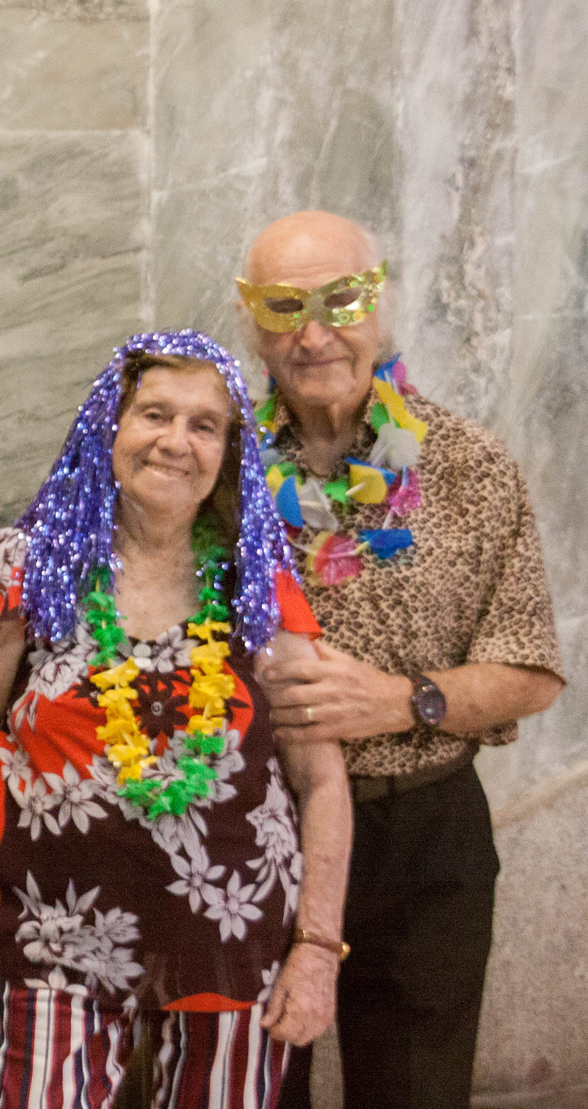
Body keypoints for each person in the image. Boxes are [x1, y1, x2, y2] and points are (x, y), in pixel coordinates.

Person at [0, 331, 352, 1109]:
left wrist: (318, 949)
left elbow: (321, 778)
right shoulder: (32, 564)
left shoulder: (258, 582)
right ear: (110, 428)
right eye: (154, 413)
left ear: (229, 452)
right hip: (51, 933)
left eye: (204, 425)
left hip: (234, 935)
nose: (176, 441)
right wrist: (11, 822)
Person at [236, 212, 563, 1109]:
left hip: (426, 836)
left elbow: (529, 666)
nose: (315, 331)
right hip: (248, 836)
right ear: (250, 319)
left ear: (378, 301)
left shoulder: (472, 466)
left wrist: (399, 699)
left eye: (342, 298)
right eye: (285, 304)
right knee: (251, 1088)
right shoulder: (206, 462)